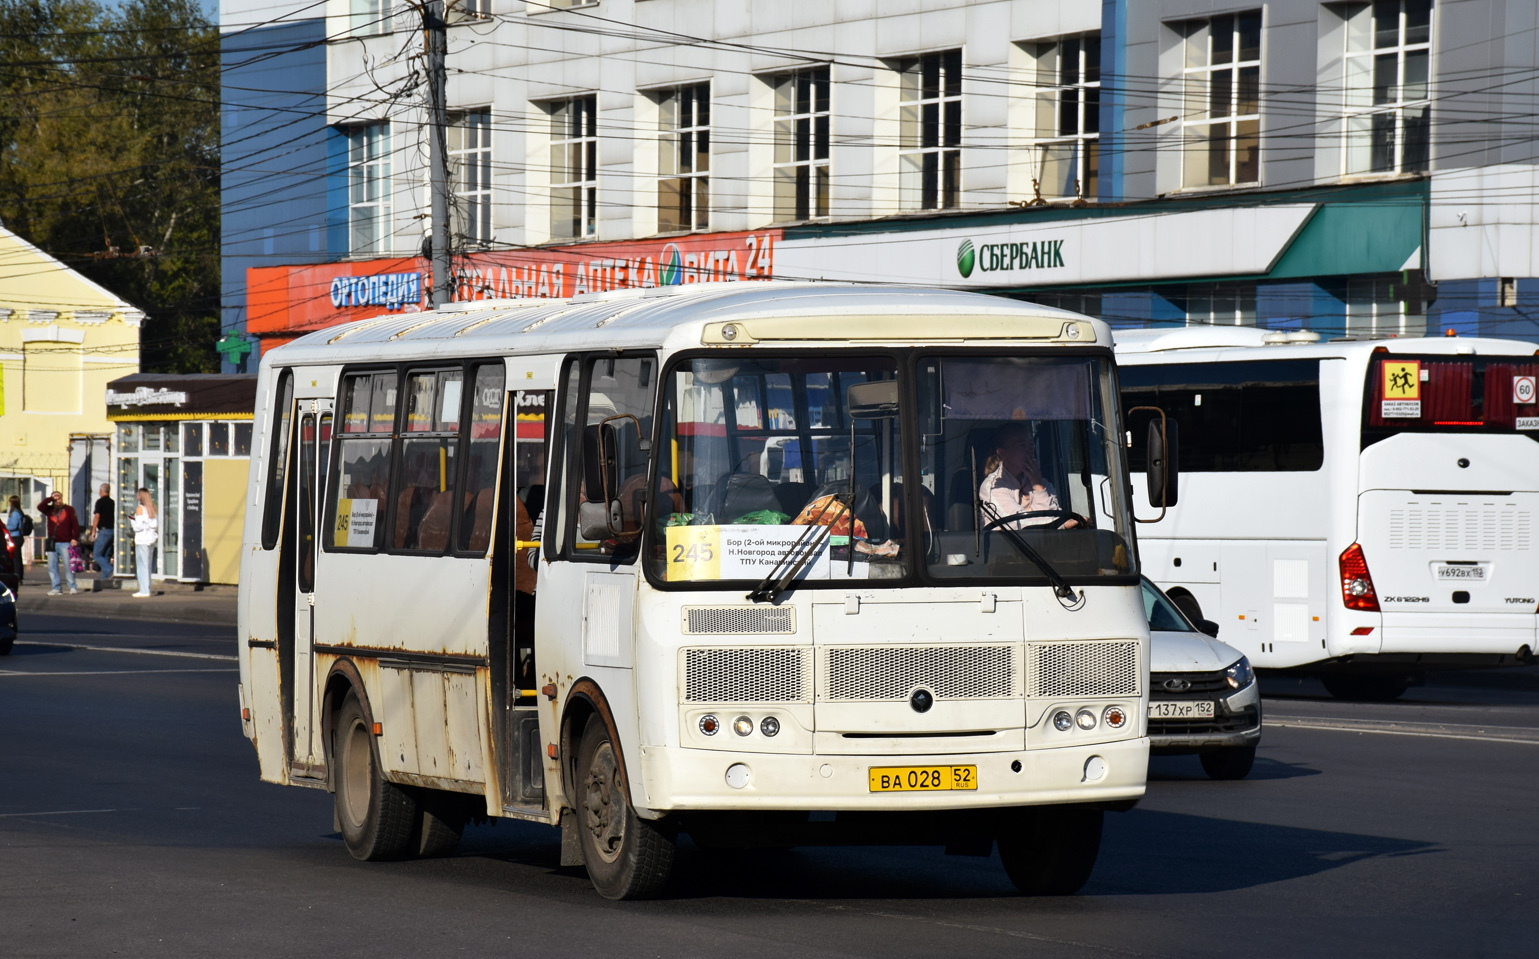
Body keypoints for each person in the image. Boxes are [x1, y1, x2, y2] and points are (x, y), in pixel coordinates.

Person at [978, 423, 1078, 530]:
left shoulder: (1043, 483)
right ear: (1003, 453)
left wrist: (1038, 487)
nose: (1030, 450)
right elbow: (1017, 524)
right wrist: (1061, 525)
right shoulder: (993, 487)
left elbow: (1055, 518)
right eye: (1022, 445)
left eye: (1031, 445)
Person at [37, 491, 81, 595]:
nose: (58, 501)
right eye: (55, 499)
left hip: (66, 542)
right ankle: (56, 588)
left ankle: (72, 586)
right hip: (53, 542)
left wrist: (75, 538)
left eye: (59, 498)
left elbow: (75, 524)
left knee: (68, 565)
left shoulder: (69, 509)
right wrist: (50, 499)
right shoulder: (49, 510)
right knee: (52, 566)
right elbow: (40, 506)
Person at [130, 488, 158, 598]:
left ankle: (144, 590)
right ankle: (148, 588)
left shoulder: (140, 509)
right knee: (148, 565)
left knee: (142, 565)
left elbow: (138, 527)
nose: (137, 496)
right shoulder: (152, 508)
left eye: (138, 494)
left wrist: (132, 520)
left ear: (141, 496)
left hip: (142, 539)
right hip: (151, 539)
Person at [91, 483, 115, 581]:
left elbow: (97, 516)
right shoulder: (112, 502)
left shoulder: (100, 502)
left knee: (96, 554)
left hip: (104, 530)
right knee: (105, 554)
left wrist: (93, 530)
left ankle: (110, 569)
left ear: (101, 491)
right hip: (112, 530)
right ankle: (104, 577)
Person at [5, 495, 25, 581]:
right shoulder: (19, 512)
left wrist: (5, 527)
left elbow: (13, 526)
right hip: (18, 536)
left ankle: (17, 575)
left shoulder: (15, 513)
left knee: (15, 558)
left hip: (15, 536)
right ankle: (19, 576)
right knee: (17, 557)